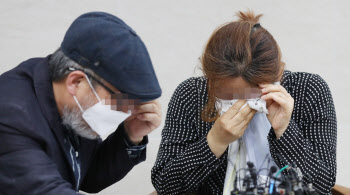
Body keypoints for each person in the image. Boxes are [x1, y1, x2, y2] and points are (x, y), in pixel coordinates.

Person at [151, 11, 336, 195]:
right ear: (209, 78)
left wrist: (285, 131)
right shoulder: (192, 94)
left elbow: (322, 185)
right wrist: (214, 142)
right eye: (227, 94)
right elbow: (165, 185)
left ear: (278, 73)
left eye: (252, 94)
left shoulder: (308, 90)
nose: (239, 103)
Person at [0, 12, 162, 194]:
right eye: (119, 99)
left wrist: (130, 136)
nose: (125, 110)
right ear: (76, 82)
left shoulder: (69, 103)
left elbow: (88, 177)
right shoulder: (12, 116)